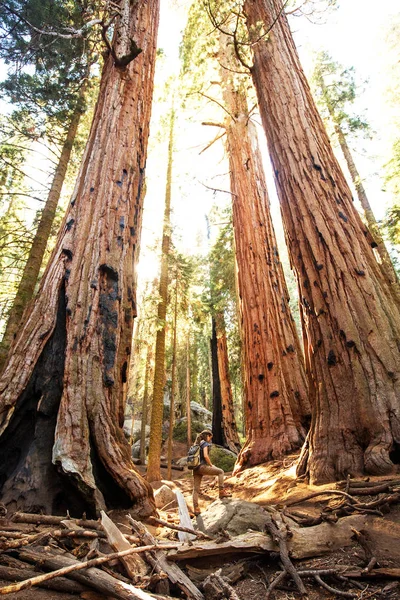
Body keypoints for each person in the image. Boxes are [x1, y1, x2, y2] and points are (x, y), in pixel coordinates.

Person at [192, 429, 231, 516]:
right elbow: (205, 456)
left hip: (195, 469)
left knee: (195, 489)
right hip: (202, 467)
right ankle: (221, 492)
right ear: (208, 436)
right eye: (210, 437)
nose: (210, 439)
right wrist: (210, 465)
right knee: (221, 471)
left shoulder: (196, 444)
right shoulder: (204, 443)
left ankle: (196, 509)